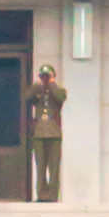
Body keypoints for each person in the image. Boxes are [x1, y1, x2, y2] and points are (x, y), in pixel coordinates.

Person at [26, 64, 66, 202]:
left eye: (47, 76)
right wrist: (37, 85)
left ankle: (52, 195)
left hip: (54, 132)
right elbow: (26, 97)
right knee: (41, 166)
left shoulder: (59, 91)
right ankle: (42, 195)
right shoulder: (37, 91)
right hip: (39, 133)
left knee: (54, 167)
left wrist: (52, 84)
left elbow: (60, 97)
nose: (44, 78)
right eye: (43, 76)